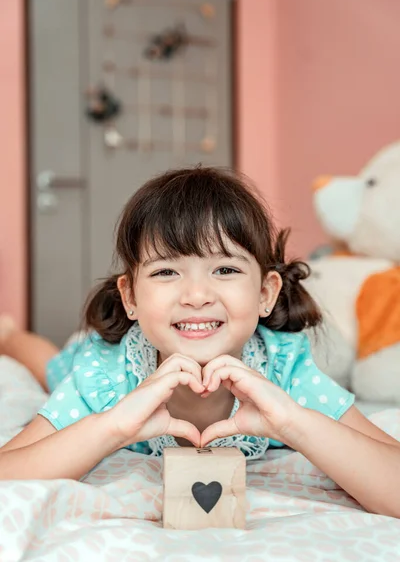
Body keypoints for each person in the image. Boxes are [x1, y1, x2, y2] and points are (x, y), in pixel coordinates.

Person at [0, 166, 400, 518]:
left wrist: (294, 423)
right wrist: (113, 427)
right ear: (131, 297)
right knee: (50, 368)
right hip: (94, 350)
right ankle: (11, 335)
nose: (196, 295)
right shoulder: (103, 375)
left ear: (265, 293)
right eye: (166, 272)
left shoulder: (286, 373)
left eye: (224, 269)